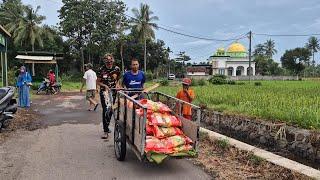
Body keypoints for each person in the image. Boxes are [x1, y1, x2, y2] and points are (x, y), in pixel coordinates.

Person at [97, 53, 121, 139]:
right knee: (106, 110)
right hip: (105, 93)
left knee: (111, 110)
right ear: (105, 61)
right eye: (107, 61)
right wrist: (105, 86)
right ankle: (105, 131)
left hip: (114, 92)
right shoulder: (101, 69)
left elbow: (118, 79)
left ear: (113, 60)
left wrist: (118, 85)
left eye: (110, 61)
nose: (109, 63)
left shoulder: (117, 69)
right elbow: (98, 82)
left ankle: (106, 127)